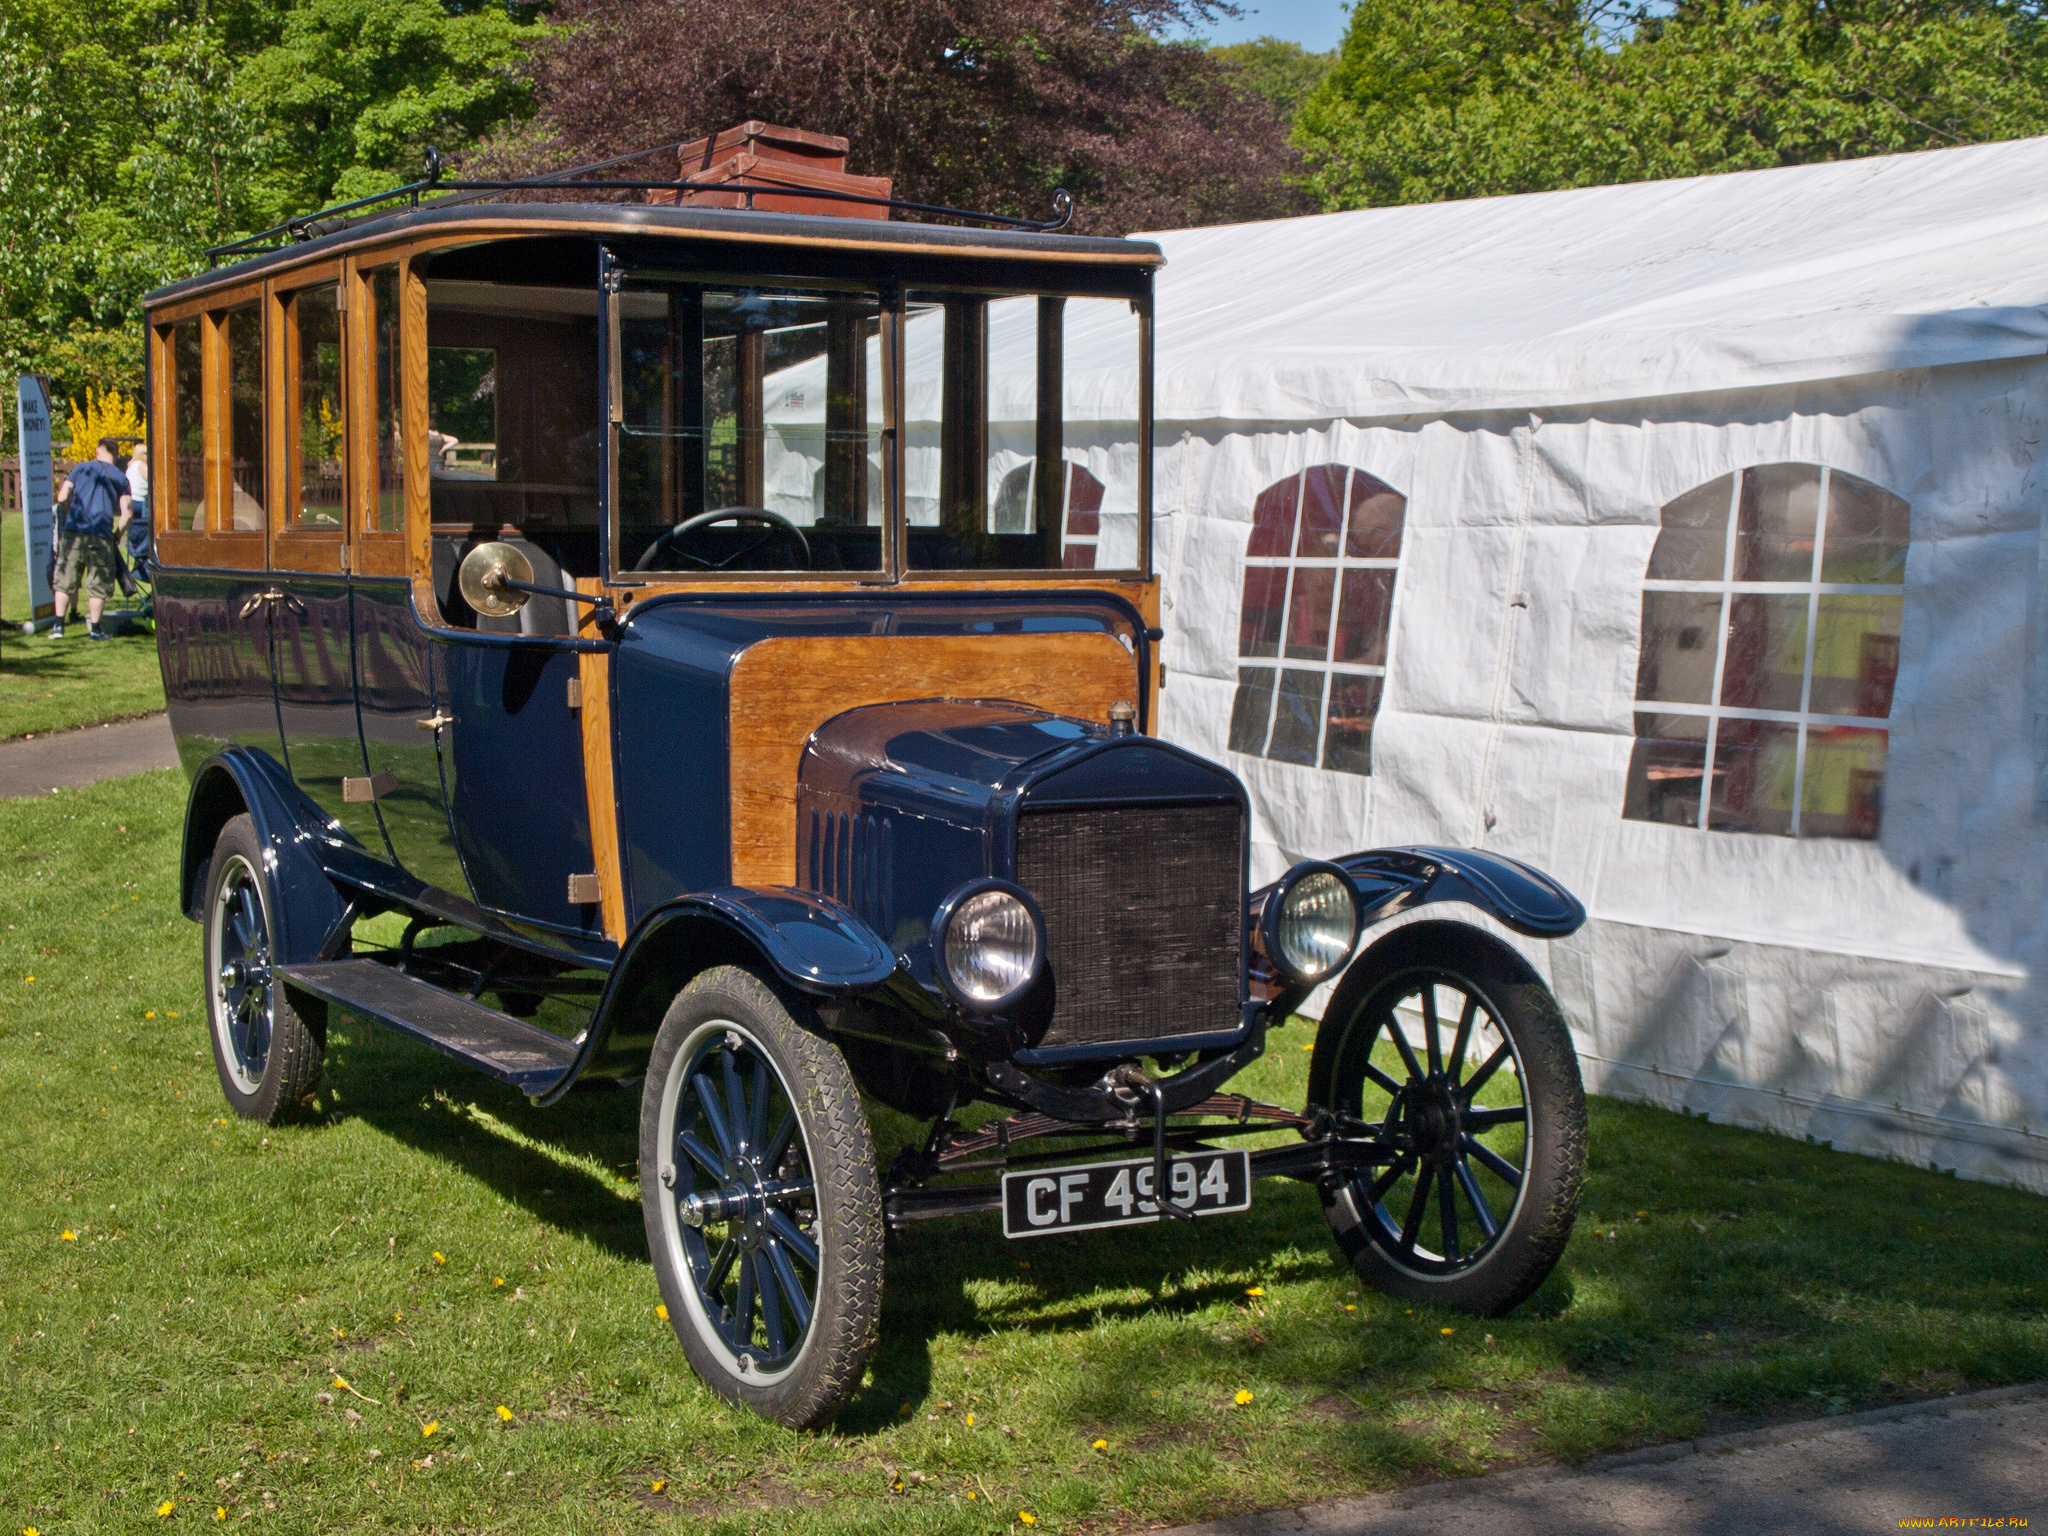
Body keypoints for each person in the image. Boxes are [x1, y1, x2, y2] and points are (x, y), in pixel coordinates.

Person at [50, 437, 134, 640]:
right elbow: (128, 513)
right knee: (98, 582)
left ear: (97, 450)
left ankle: (58, 627)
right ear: (117, 454)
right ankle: (95, 630)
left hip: (74, 531)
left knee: (65, 580)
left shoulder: (81, 469)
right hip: (101, 534)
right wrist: (118, 534)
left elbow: (62, 497)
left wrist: (69, 514)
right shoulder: (120, 477)